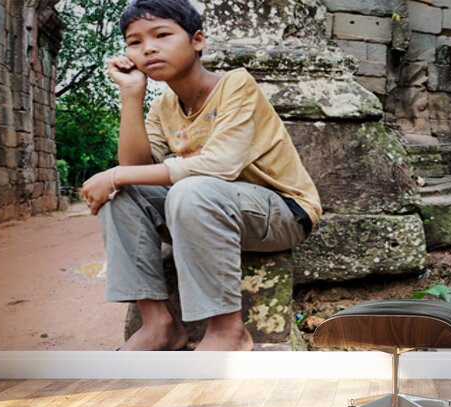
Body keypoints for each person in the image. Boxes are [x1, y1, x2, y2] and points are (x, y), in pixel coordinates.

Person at [79, 0, 321, 351]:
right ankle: (158, 324)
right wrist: (131, 95)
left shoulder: (236, 86)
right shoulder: (164, 105)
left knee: (187, 189)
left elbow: (220, 166)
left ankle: (228, 331)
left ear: (197, 40)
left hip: (281, 214)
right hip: (210, 210)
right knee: (121, 196)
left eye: (162, 34)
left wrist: (115, 174)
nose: (148, 47)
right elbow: (135, 167)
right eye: (135, 42)